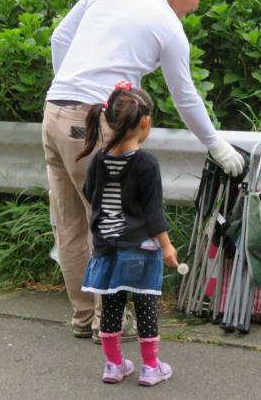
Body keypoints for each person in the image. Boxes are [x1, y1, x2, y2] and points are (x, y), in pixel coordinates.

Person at [42, 0, 245, 343]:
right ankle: (108, 322)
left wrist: (69, 90)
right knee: (109, 222)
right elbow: (184, 96)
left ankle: (84, 317)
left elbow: (59, 39)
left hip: (54, 112)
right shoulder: (168, 25)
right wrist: (215, 144)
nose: (194, 8)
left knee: (70, 224)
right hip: (93, 119)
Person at [79, 82, 176, 386]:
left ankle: (113, 365)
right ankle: (150, 368)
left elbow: (89, 192)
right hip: (140, 248)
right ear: (145, 122)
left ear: (109, 120)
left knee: (111, 306)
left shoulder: (99, 159)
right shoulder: (146, 163)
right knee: (145, 305)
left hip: (106, 247)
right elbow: (154, 213)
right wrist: (167, 247)